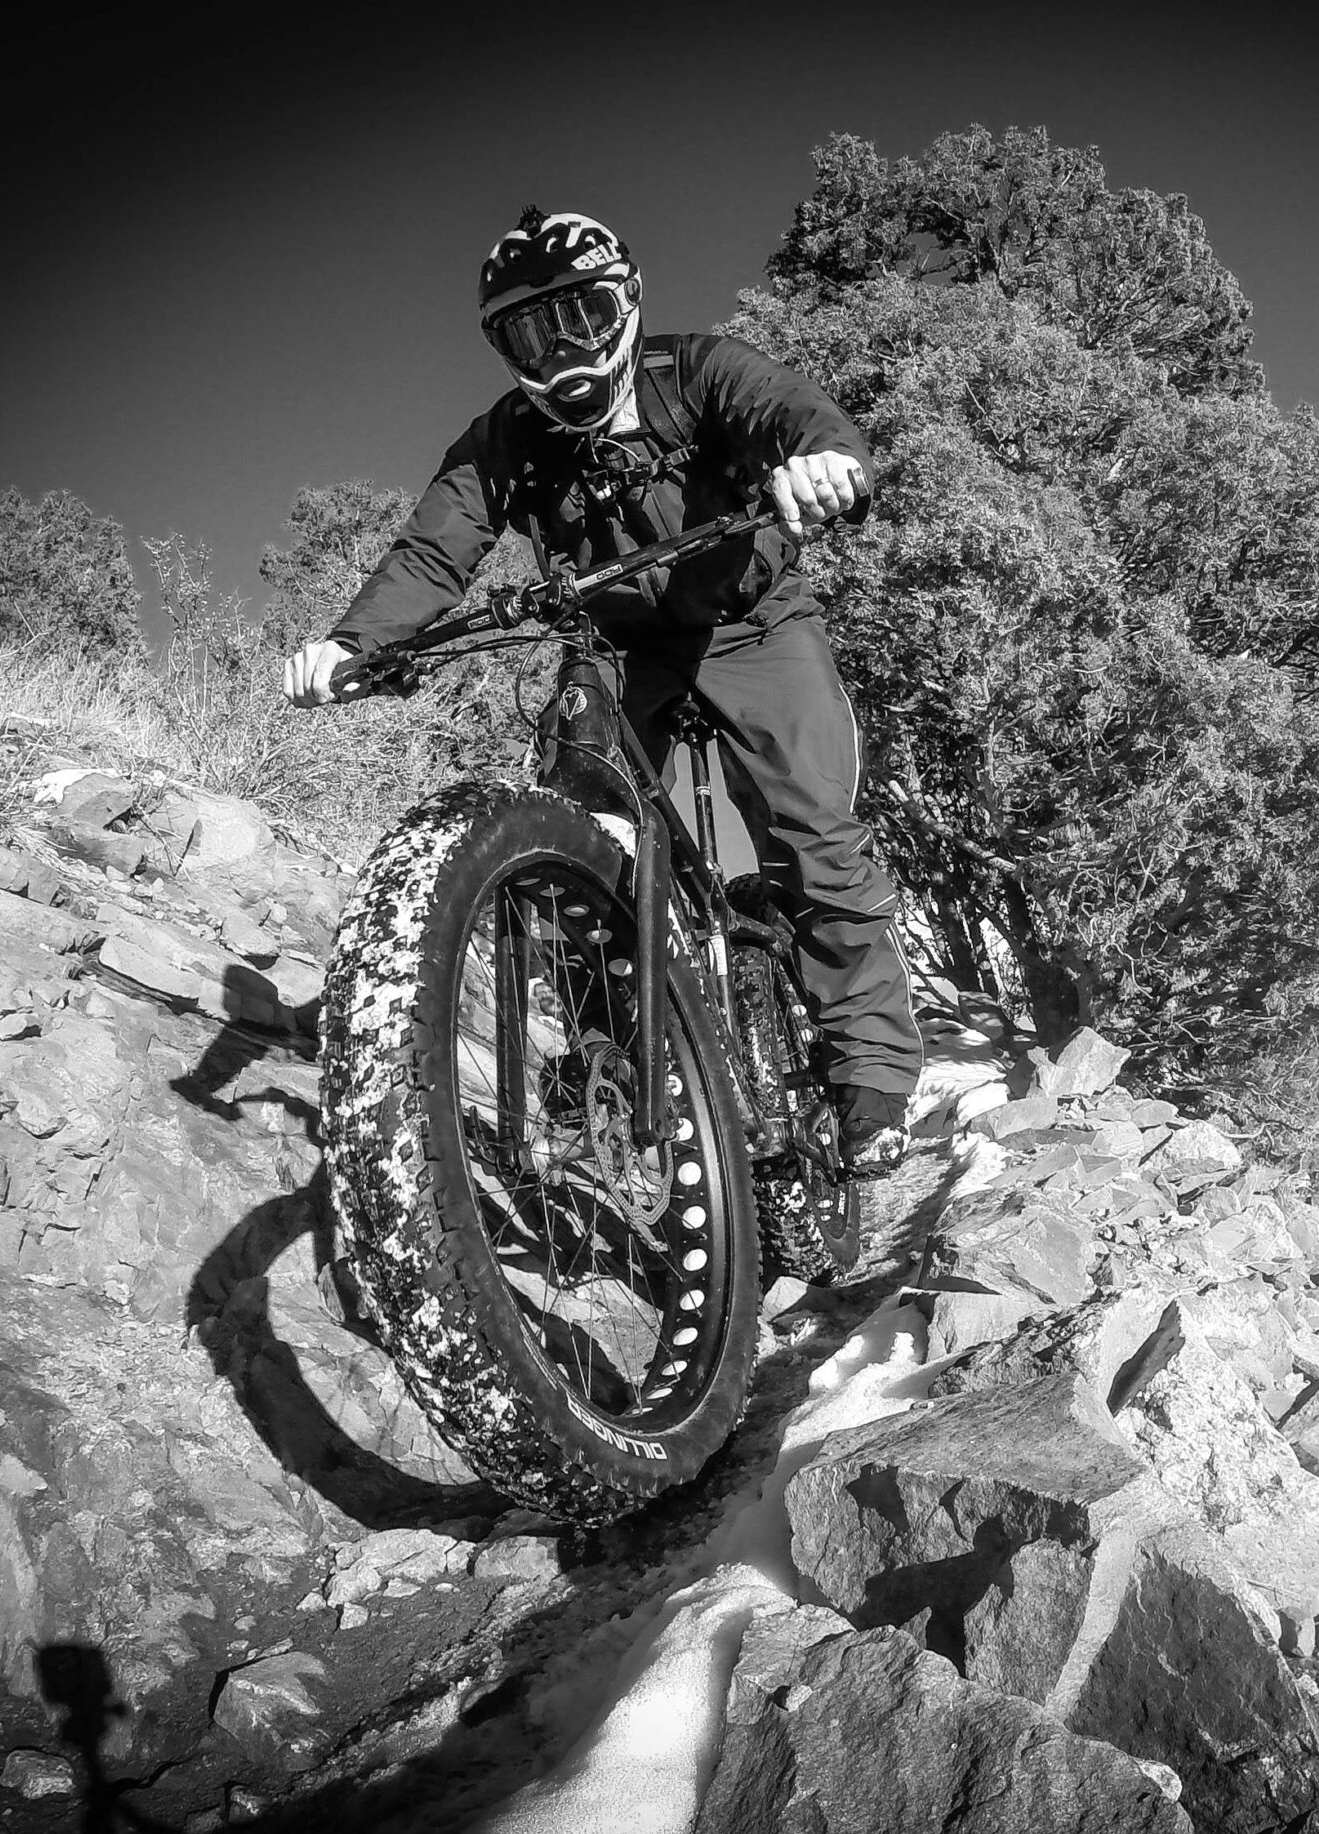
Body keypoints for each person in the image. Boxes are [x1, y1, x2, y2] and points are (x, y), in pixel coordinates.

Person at [281, 206, 918, 1172]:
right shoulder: (507, 439)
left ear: (627, 304)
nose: (561, 351)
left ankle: (868, 1081)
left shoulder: (699, 371)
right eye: (532, 333)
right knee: (574, 827)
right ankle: (604, 1054)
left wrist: (825, 459)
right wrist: (353, 643)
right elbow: (435, 545)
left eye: (581, 317)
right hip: (618, 646)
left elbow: (789, 410)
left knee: (814, 833)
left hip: (753, 624)